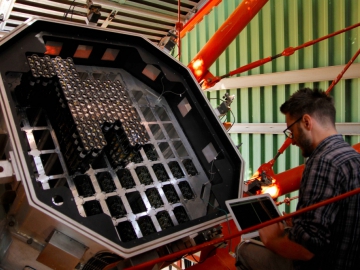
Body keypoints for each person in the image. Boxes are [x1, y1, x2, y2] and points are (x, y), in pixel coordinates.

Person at [235, 88, 360, 270]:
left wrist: (272, 239)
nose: (292, 141)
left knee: (244, 250)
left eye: (291, 131)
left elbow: (306, 250)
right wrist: (298, 222)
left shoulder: (322, 163)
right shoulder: (353, 157)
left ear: (307, 122)